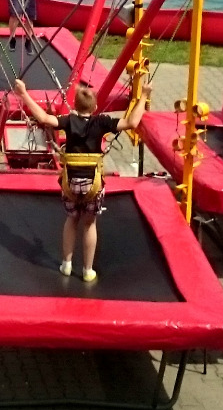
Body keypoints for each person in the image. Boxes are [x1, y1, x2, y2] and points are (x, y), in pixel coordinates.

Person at [12, 78, 145, 285]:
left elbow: (44, 118)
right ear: (95, 107)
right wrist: (144, 95)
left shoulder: (68, 121)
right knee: (90, 223)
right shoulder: (101, 122)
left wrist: (23, 94)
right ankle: (87, 270)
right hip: (93, 183)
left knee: (71, 219)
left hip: (71, 182)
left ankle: (66, 264)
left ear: (74, 106)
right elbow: (132, 123)